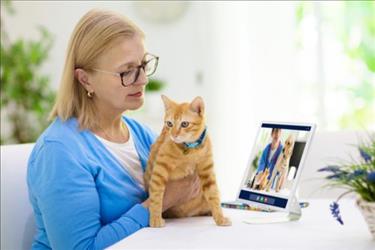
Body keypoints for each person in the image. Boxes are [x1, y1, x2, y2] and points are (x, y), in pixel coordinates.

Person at [27, 9, 200, 250]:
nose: (142, 80)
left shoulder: (140, 134)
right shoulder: (59, 152)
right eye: (127, 71)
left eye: (143, 65)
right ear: (85, 79)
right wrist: (160, 201)